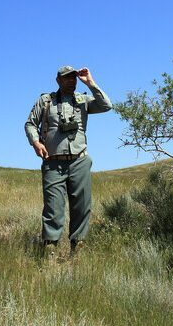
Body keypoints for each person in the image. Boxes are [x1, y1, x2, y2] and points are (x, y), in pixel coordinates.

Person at [24, 65, 112, 255]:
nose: (71, 81)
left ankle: (77, 250)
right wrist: (35, 143)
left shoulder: (83, 100)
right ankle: (50, 252)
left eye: (74, 78)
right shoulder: (46, 101)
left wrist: (91, 83)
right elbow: (30, 124)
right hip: (53, 162)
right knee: (53, 207)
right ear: (58, 80)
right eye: (67, 78)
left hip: (79, 161)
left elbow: (106, 105)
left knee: (82, 206)